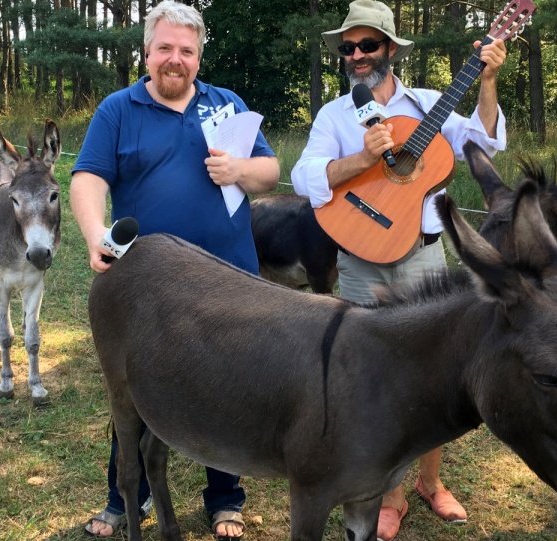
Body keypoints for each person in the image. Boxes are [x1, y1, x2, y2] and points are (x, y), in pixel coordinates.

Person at [291, 0, 507, 539]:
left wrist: (486, 82)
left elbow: (484, 143)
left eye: (367, 45)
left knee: (434, 373)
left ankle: (430, 485)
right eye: (348, 48)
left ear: (390, 48)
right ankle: (385, 494)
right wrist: (362, 160)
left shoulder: (432, 103)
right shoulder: (335, 116)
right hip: (360, 258)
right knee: (370, 377)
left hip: (423, 256)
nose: (357, 56)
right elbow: (302, 177)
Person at [69, 1, 280, 539]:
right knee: (133, 390)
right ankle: (125, 498)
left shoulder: (227, 106)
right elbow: (88, 178)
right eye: (165, 48)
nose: (175, 59)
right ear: (147, 52)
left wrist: (240, 169)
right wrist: (95, 232)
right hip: (147, 287)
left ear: (199, 56)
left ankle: (226, 497)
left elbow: (270, 173)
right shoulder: (118, 109)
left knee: (228, 386)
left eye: (186, 50)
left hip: (229, 282)